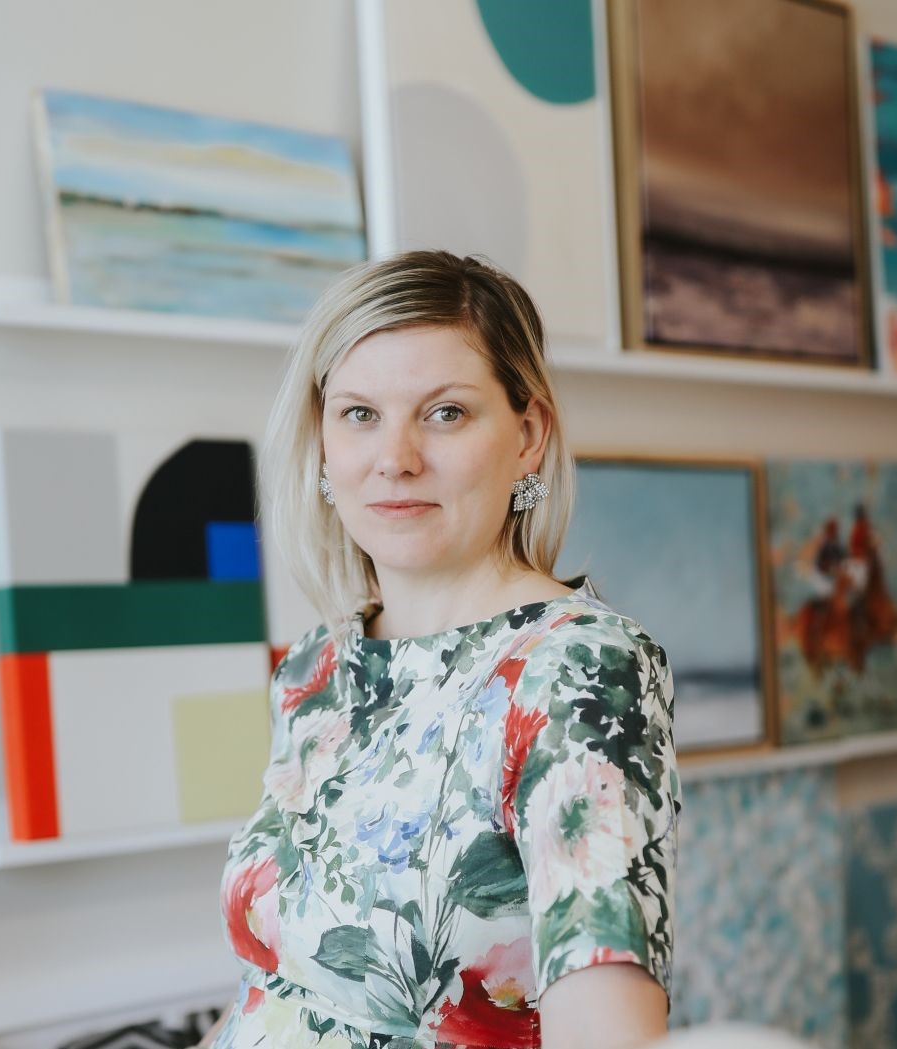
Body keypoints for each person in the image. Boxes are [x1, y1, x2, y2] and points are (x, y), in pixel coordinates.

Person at [202, 249, 681, 1049]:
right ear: (322, 442)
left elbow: (608, 1031)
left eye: (445, 412)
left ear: (527, 435)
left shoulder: (576, 667)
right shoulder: (315, 670)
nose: (396, 458)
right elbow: (276, 983)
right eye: (360, 413)